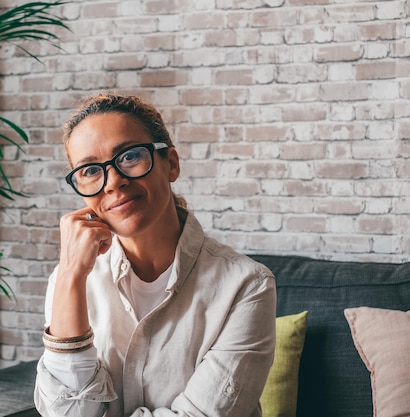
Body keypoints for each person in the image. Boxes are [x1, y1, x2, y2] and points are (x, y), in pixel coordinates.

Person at [34, 93, 276, 417]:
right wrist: (68, 277)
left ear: (171, 164)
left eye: (130, 156)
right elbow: (67, 412)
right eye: (91, 170)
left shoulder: (246, 285)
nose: (113, 182)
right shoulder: (71, 280)